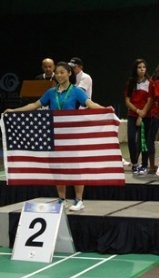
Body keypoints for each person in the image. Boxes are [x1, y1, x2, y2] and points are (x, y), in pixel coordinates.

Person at [4, 61, 107, 211]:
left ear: (69, 73)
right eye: (57, 73)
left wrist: (106, 110)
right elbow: (34, 105)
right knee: (58, 167)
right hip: (54, 135)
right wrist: (14, 111)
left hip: (72, 136)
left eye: (62, 72)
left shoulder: (76, 91)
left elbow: (90, 104)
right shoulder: (51, 92)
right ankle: (61, 199)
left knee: (75, 167)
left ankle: (79, 200)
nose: (59, 75)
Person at [124, 59, 153, 175]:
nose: (142, 69)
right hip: (132, 115)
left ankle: (144, 165)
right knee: (131, 139)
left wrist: (143, 113)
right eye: (139, 67)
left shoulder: (150, 83)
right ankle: (135, 163)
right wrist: (137, 111)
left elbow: (150, 100)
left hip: (147, 115)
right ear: (135, 69)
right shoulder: (130, 83)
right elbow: (127, 101)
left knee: (144, 141)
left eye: (144, 67)